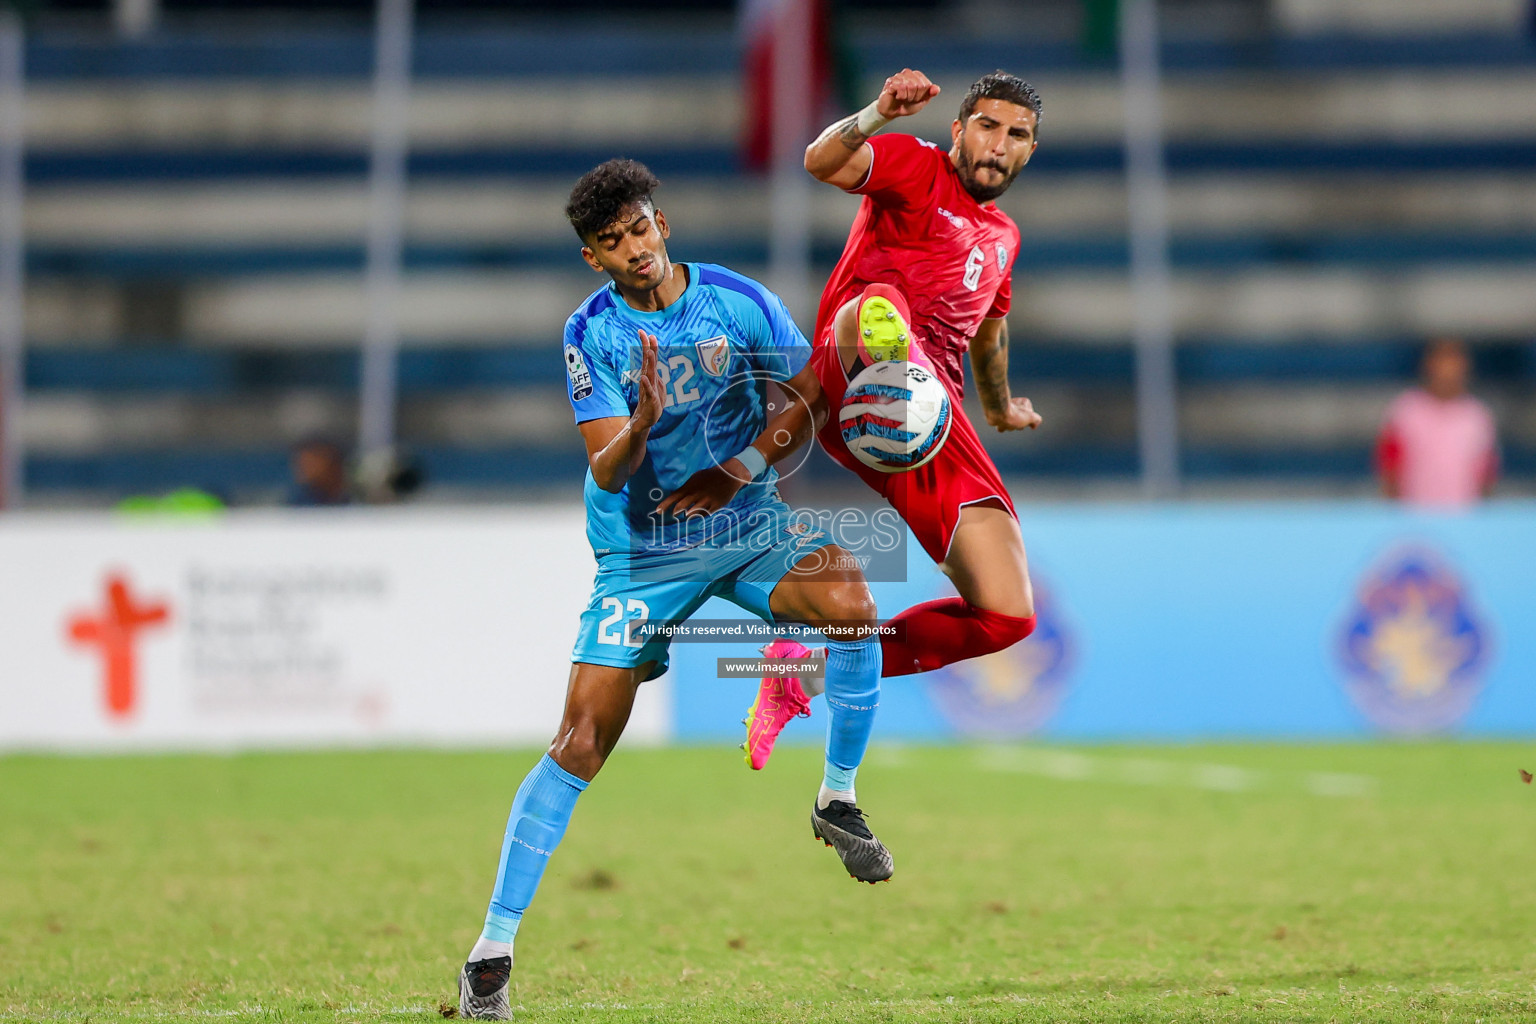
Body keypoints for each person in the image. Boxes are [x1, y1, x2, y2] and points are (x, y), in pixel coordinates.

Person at [456, 160, 889, 1020]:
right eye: (610, 243)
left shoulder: (736, 300)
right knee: (581, 741)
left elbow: (805, 389)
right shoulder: (592, 334)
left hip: (747, 519)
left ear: (663, 222)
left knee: (854, 606)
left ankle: (837, 798)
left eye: (640, 229)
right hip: (643, 551)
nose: (633, 250)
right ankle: (490, 953)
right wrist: (643, 425)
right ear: (593, 259)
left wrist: (745, 467)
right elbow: (605, 464)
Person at [743, 69, 1046, 767]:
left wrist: (1000, 407)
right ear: (959, 130)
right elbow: (820, 161)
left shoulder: (1004, 239)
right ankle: (891, 353)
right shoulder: (916, 166)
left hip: (933, 419)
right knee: (877, 304)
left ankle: (804, 673)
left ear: (1030, 150)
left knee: (1007, 614)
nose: (999, 145)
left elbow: (990, 332)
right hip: (852, 372)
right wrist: (878, 112)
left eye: (1017, 135)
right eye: (988, 127)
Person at [1376, 338, 1499, 508]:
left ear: (1464, 367)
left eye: (1453, 364)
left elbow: (1486, 475)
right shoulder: (1406, 411)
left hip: (1463, 517)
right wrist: (1397, 514)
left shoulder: (1477, 416)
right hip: (1415, 516)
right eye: (1442, 363)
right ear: (1429, 365)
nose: (1447, 371)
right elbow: (1390, 468)